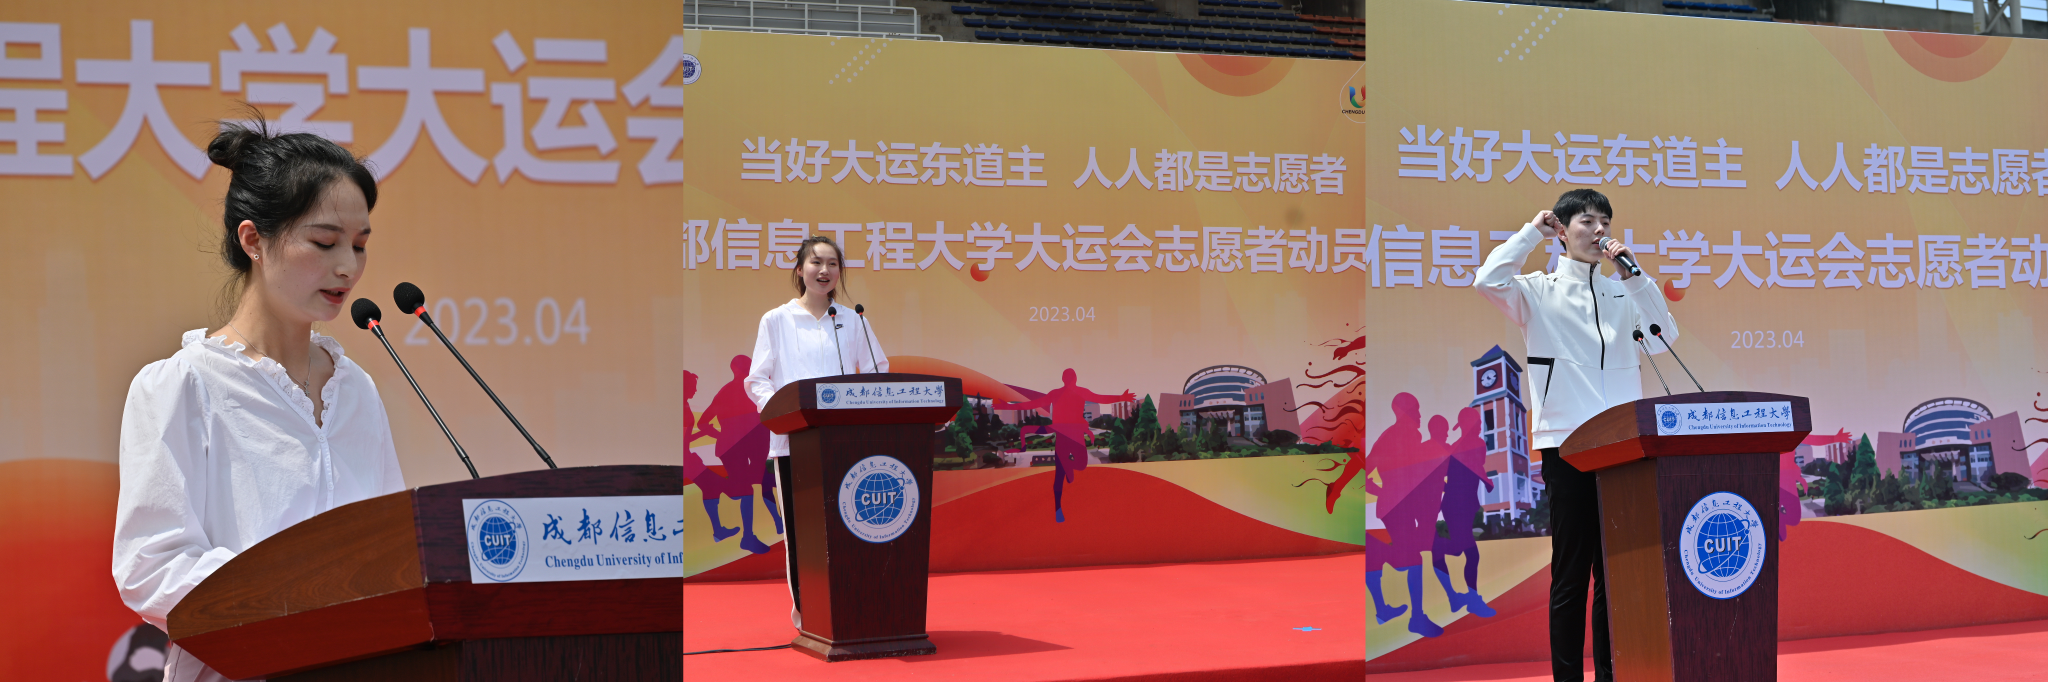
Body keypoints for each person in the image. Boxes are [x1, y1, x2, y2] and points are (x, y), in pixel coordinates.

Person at [112, 116, 404, 682]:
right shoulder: (183, 385)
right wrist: (296, 596)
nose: (348, 267)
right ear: (253, 240)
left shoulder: (355, 390)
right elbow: (151, 566)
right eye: (324, 242)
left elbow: (391, 550)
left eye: (360, 245)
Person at [1475, 188, 1678, 682]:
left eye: (1605, 221)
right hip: (1567, 446)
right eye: (1587, 220)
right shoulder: (1538, 291)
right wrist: (1531, 232)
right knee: (1570, 574)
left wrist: (1635, 275)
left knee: (1614, 573)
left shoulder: (1621, 293)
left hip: (1624, 447)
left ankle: (1612, 674)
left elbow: (1664, 337)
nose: (1599, 230)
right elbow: (1487, 280)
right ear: (1562, 232)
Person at [743, 236, 887, 631]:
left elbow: (876, 373)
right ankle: (810, 616)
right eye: (816, 262)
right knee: (803, 532)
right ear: (799, 270)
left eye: (833, 264)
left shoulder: (853, 320)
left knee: (849, 528)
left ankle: (853, 606)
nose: (825, 271)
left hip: (846, 445)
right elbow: (757, 381)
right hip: (796, 444)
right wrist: (785, 413)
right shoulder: (777, 320)